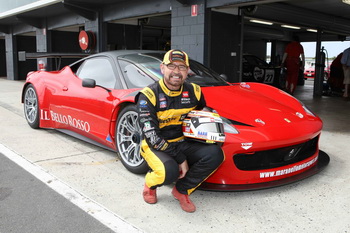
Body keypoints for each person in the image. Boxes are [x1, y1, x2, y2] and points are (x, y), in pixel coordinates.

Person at [136, 49, 224, 213]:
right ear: (162, 68)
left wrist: (211, 121)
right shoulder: (149, 95)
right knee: (168, 172)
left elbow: (199, 115)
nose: (177, 71)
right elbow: (152, 137)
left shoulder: (195, 91)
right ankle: (150, 183)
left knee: (215, 154)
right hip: (154, 145)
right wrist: (181, 158)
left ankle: (181, 190)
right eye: (172, 66)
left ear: (187, 71)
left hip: (183, 142)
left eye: (182, 67)